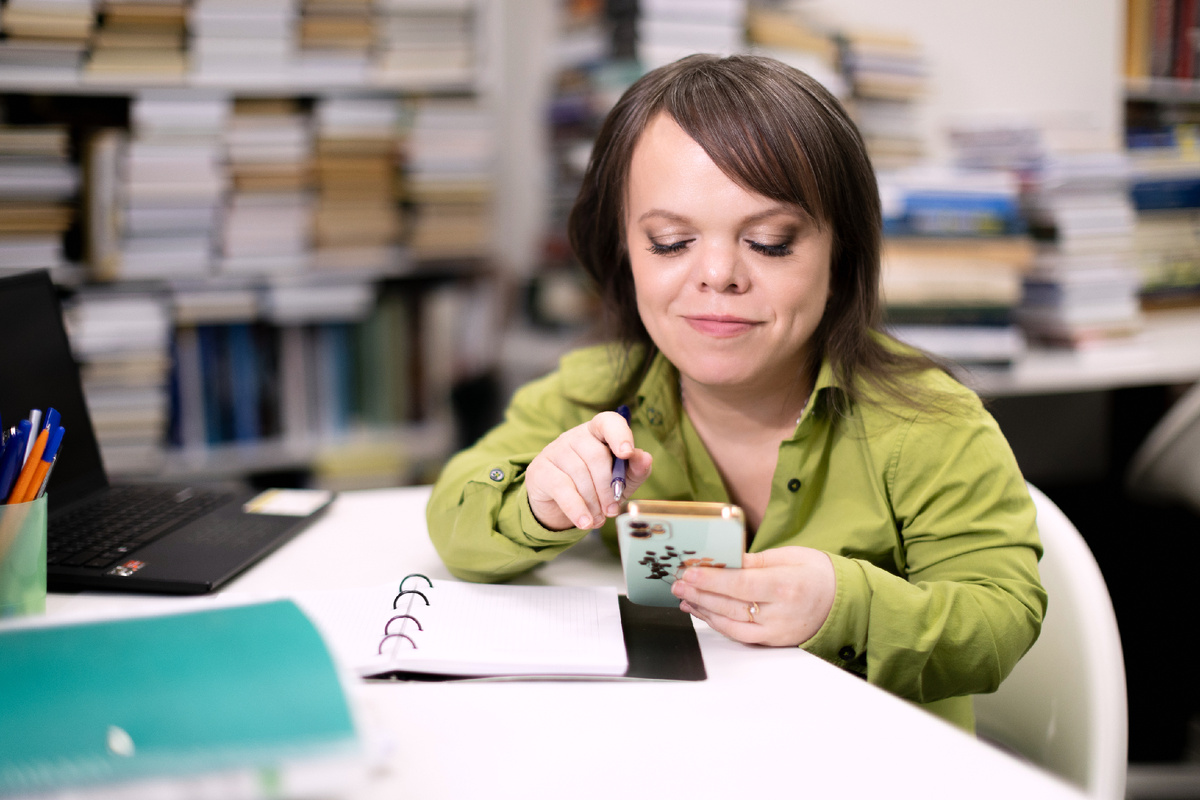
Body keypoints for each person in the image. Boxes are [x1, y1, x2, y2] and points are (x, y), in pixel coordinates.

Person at [426, 53, 1045, 732]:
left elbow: (1000, 620)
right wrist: (538, 505)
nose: (718, 275)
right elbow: (456, 522)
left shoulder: (928, 422)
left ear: (840, 256)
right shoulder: (596, 394)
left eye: (772, 243)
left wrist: (846, 604)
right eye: (669, 242)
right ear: (625, 250)